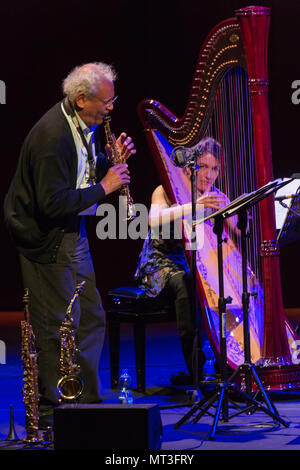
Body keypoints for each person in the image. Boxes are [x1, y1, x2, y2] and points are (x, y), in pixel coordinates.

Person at [4, 62, 136, 429]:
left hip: (72, 231)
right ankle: (53, 412)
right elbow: (52, 203)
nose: (111, 108)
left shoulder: (83, 124)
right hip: (45, 237)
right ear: (81, 99)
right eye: (106, 101)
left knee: (91, 316)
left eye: (113, 99)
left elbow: (80, 172)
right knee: (57, 325)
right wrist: (106, 187)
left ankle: (87, 402)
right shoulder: (53, 137)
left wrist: (111, 161)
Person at [134, 137, 231, 385]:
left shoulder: (211, 196)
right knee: (188, 283)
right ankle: (196, 372)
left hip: (190, 266)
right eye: (204, 167)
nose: (209, 175)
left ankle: (229, 364)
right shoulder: (166, 189)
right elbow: (153, 220)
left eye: (215, 168)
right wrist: (193, 206)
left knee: (223, 281)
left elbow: (237, 231)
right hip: (158, 265)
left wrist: (240, 214)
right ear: (189, 167)